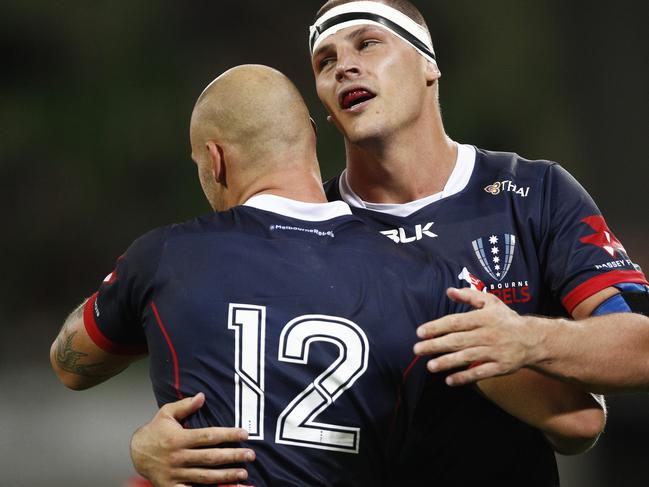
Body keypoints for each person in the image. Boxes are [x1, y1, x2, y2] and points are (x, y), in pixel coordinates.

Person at [129, 0, 648, 485]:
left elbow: (632, 360)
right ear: (325, 112)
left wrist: (527, 340)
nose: (343, 67)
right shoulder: (301, 234)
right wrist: (145, 451)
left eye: (367, 44)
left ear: (429, 65)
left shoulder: (530, 193)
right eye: (325, 61)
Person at [50, 64, 471, 486]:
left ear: (215, 161)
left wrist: (141, 445)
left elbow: (69, 364)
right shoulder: (420, 275)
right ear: (310, 133)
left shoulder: (167, 258)